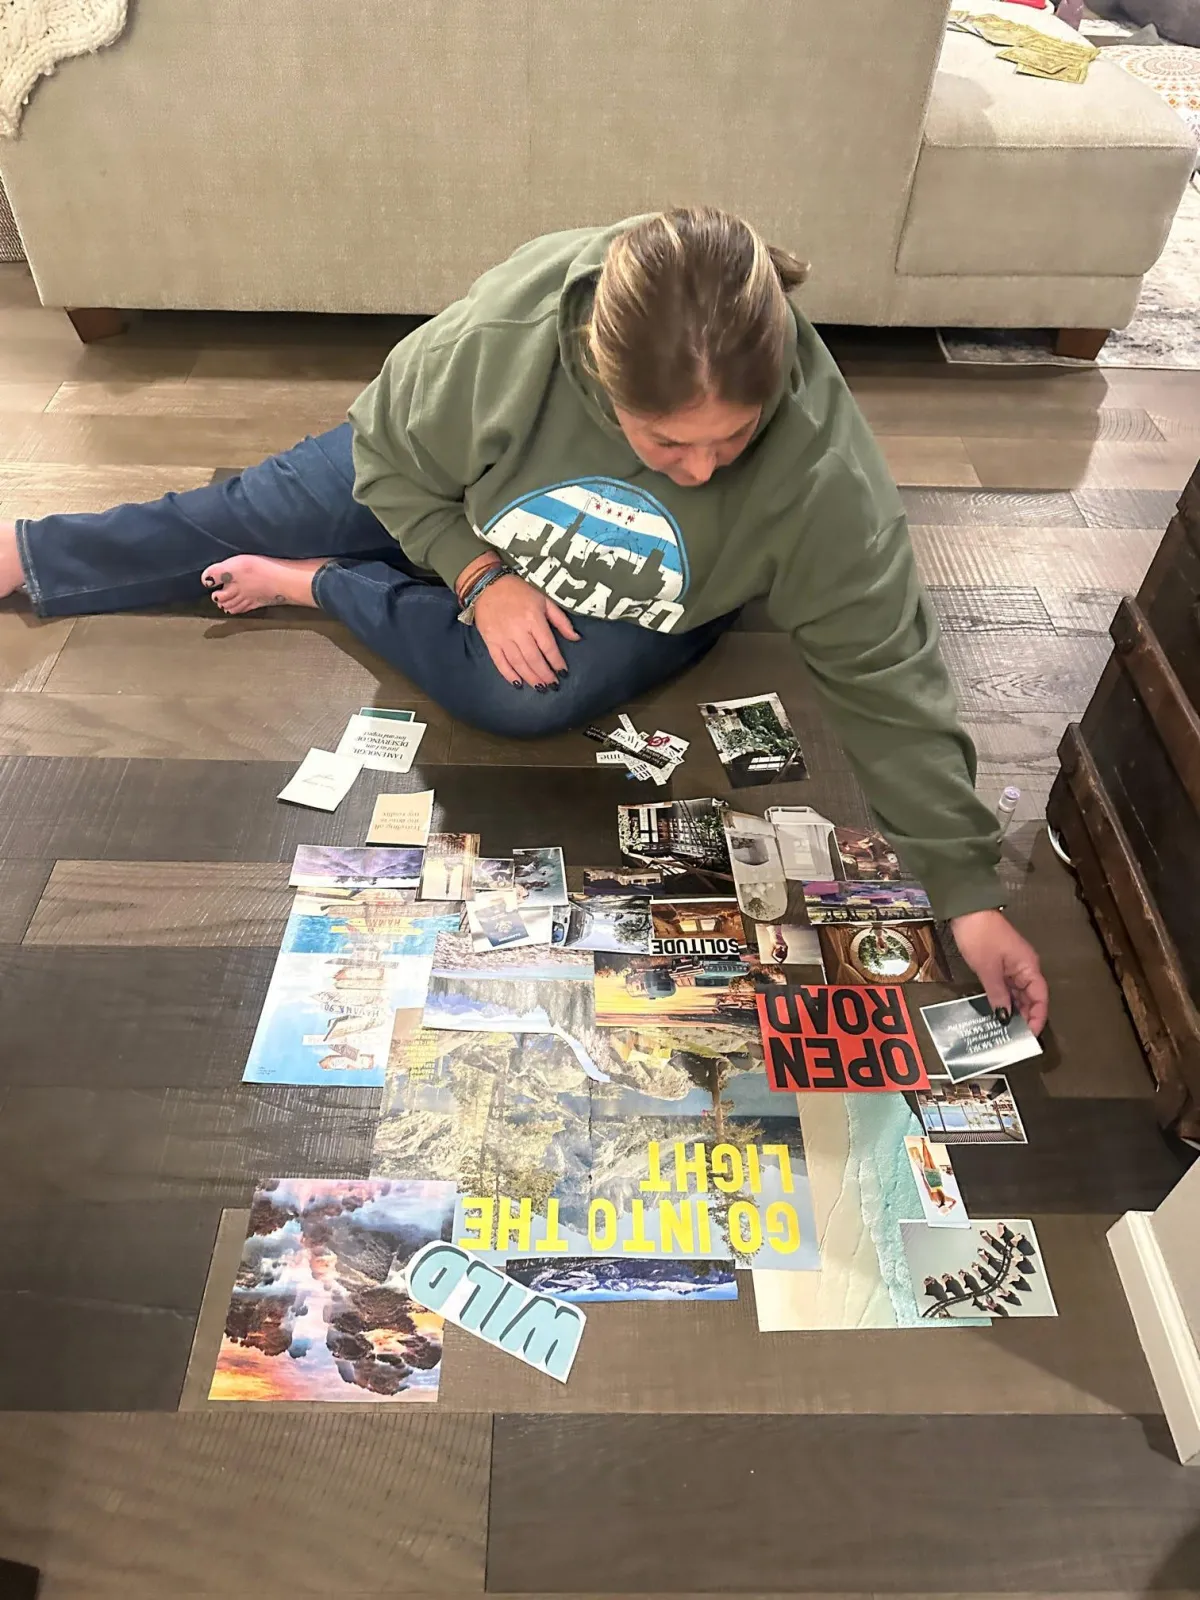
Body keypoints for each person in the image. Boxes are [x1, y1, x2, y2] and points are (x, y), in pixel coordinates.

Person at [0, 206, 1048, 1031]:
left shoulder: (822, 475)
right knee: (249, 509)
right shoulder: (500, 339)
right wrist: (475, 575)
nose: (701, 468)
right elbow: (393, 465)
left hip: (645, 584)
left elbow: (888, 672)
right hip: (450, 495)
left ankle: (325, 581)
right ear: (598, 371)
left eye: (730, 443)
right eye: (665, 443)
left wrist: (966, 890)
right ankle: (30, 551)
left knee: (524, 694)